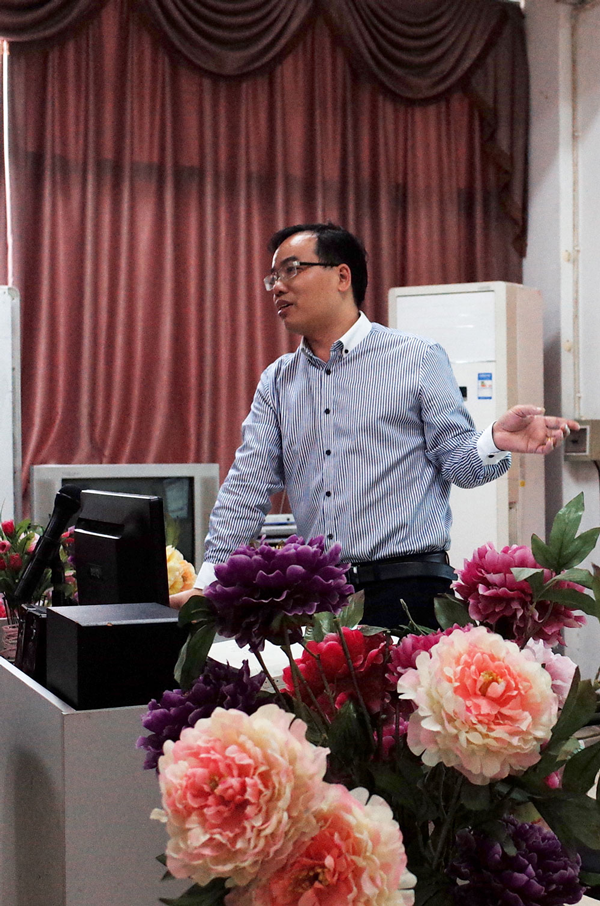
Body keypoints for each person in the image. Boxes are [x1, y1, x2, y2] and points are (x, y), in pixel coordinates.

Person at [171, 222, 578, 629]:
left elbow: (460, 465)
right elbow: (246, 486)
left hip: (409, 591)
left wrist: (493, 440)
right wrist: (209, 583)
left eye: (292, 270)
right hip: (320, 597)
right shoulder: (278, 381)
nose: (277, 287)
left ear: (342, 276)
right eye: (273, 277)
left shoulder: (416, 358)